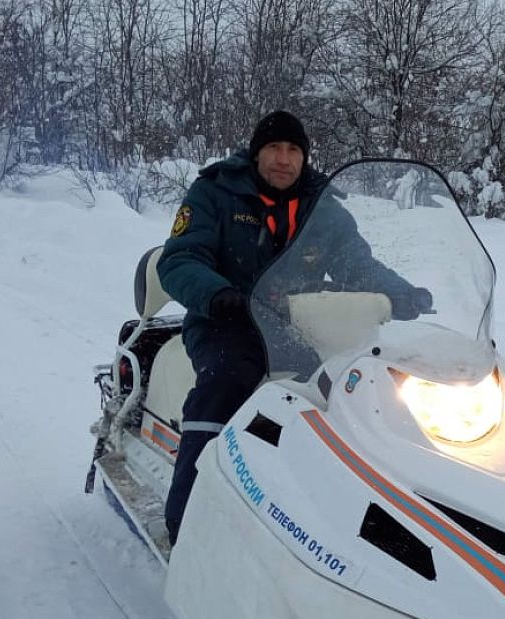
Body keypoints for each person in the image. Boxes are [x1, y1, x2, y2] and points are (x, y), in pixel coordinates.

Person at [157, 111, 431, 545]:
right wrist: (219, 293)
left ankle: (329, 516)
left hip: (296, 324)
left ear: (304, 157)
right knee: (228, 381)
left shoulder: (322, 208)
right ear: (256, 152)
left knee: (339, 388)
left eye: (293, 150)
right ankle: (187, 521)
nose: (283, 160)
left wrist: (401, 294)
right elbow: (179, 259)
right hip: (224, 321)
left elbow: (356, 264)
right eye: (273, 148)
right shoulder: (216, 192)